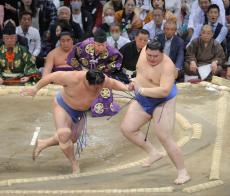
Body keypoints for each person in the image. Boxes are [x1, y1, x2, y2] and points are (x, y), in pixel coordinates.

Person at [21, 70, 131, 174]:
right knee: (64, 135)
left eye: (100, 87)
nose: (97, 90)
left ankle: (43, 143)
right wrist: (35, 88)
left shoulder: (103, 80)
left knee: (72, 139)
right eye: (94, 87)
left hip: (82, 111)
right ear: (87, 81)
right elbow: (51, 77)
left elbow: (114, 83)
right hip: (64, 106)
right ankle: (74, 163)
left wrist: (127, 87)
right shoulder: (71, 78)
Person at [121, 40, 191, 185]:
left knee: (163, 136)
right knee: (127, 128)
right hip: (143, 98)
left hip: (163, 101)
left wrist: (141, 90)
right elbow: (140, 73)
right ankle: (153, 153)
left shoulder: (168, 66)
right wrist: (135, 83)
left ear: (162, 53)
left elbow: (164, 91)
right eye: (149, 55)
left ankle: (183, 172)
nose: (152, 59)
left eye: (155, 56)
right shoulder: (144, 52)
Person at [67, 28, 123, 117]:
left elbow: (117, 61)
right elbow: (72, 56)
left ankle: (101, 108)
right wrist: (80, 70)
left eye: (103, 45)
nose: (100, 48)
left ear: (106, 43)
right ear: (93, 43)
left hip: (101, 74)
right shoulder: (84, 45)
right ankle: (81, 106)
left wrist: (104, 70)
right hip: (85, 72)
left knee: (104, 95)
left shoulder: (112, 52)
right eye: (98, 45)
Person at [0, 20, 40, 85]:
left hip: (20, 79)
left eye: (12, 38)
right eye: (7, 38)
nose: (9, 40)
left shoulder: (23, 50)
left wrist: (27, 76)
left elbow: (31, 65)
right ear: (3, 39)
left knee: (29, 84)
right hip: (2, 80)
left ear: (16, 38)